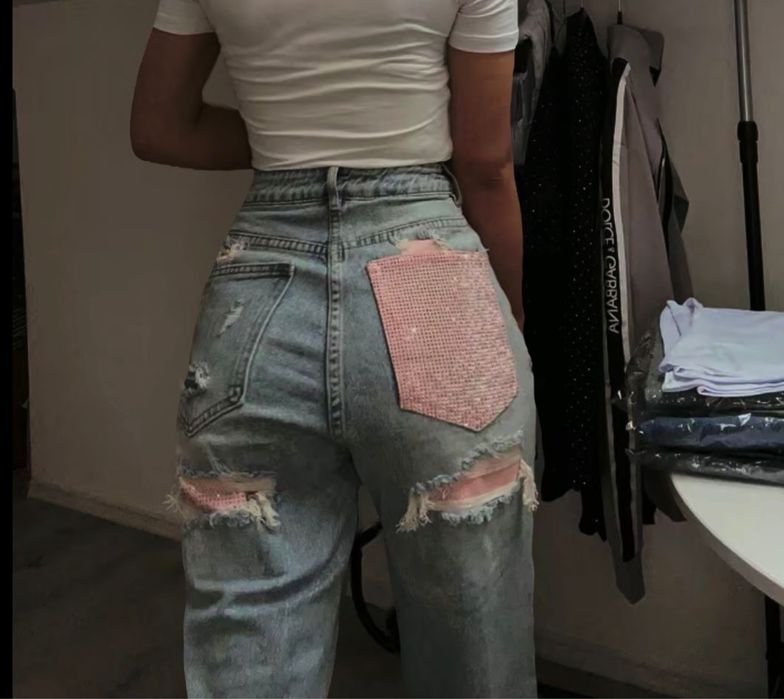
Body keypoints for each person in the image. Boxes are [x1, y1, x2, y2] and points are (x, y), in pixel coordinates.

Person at [131, 1, 537, 696]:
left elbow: (160, 126)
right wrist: (510, 312)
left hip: (258, 296)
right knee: (475, 651)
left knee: (253, 654)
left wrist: (285, 138)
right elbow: (485, 161)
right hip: (431, 274)